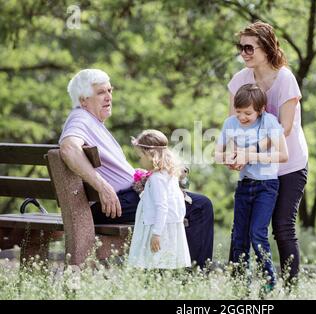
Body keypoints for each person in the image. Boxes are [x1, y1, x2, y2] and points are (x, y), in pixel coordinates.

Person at [59, 68, 214, 268]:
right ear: (83, 100)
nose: (109, 97)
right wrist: (103, 187)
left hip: (129, 197)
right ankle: (193, 279)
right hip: (117, 203)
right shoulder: (80, 119)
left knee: (188, 199)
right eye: (101, 93)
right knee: (200, 207)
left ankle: (179, 274)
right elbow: (68, 148)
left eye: (110, 91)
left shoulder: (92, 122)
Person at [227, 22, 308, 282]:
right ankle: (238, 288)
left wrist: (249, 152)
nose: (244, 52)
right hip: (255, 169)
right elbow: (233, 125)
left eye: (249, 47)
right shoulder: (240, 80)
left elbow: (283, 128)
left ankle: (291, 288)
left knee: (282, 227)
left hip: (287, 165)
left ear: (267, 48)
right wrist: (233, 153)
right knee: (243, 230)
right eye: (241, 47)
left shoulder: (285, 79)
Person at [215, 84, 289, 289]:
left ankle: (269, 280)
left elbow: (283, 155)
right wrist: (229, 159)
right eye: (238, 112)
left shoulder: (270, 123)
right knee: (239, 235)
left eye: (248, 113)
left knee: (257, 232)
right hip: (244, 185)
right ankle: (241, 284)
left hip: (267, 186)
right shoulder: (230, 124)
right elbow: (217, 154)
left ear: (261, 109)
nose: (242, 117)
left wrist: (250, 156)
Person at [127, 129, 191, 269]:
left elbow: (162, 206)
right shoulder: (169, 174)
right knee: (164, 261)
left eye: (140, 156)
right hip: (167, 224)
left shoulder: (156, 178)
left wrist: (156, 234)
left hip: (157, 226)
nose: (140, 160)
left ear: (150, 155)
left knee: (154, 260)